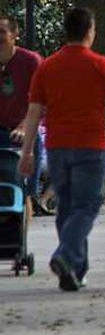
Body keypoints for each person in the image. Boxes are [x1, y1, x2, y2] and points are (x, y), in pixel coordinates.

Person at [18, 7, 105, 291]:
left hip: (58, 147)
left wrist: (28, 151)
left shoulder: (48, 67)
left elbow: (33, 112)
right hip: (90, 147)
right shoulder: (101, 65)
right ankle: (66, 255)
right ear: (90, 32)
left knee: (67, 208)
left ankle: (74, 271)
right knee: (87, 206)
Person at [0, 16, 44, 211]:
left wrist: (24, 126)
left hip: (22, 129)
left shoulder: (31, 61)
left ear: (15, 34)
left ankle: (29, 197)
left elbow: (42, 101)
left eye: (2, 32)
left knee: (30, 140)